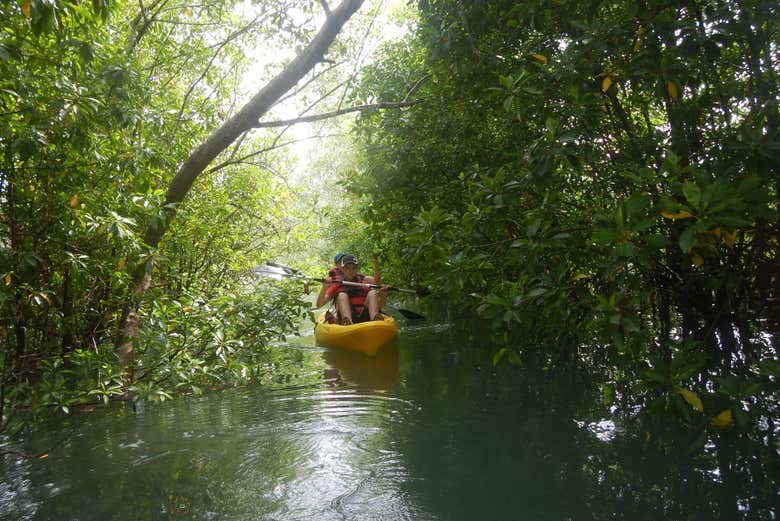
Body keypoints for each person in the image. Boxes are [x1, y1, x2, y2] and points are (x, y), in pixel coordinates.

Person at [316, 254, 387, 325]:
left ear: (357, 269)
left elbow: (381, 306)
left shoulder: (363, 283)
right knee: (342, 295)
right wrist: (324, 287)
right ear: (342, 269)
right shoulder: (336, 284)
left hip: (364, 316)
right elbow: (319, 305)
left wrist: (383, 295)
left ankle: (375, 319)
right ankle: (347, 322)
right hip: (347, 318)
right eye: (347, 268)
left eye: (354, 268)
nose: (351, 271)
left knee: (373, 292)